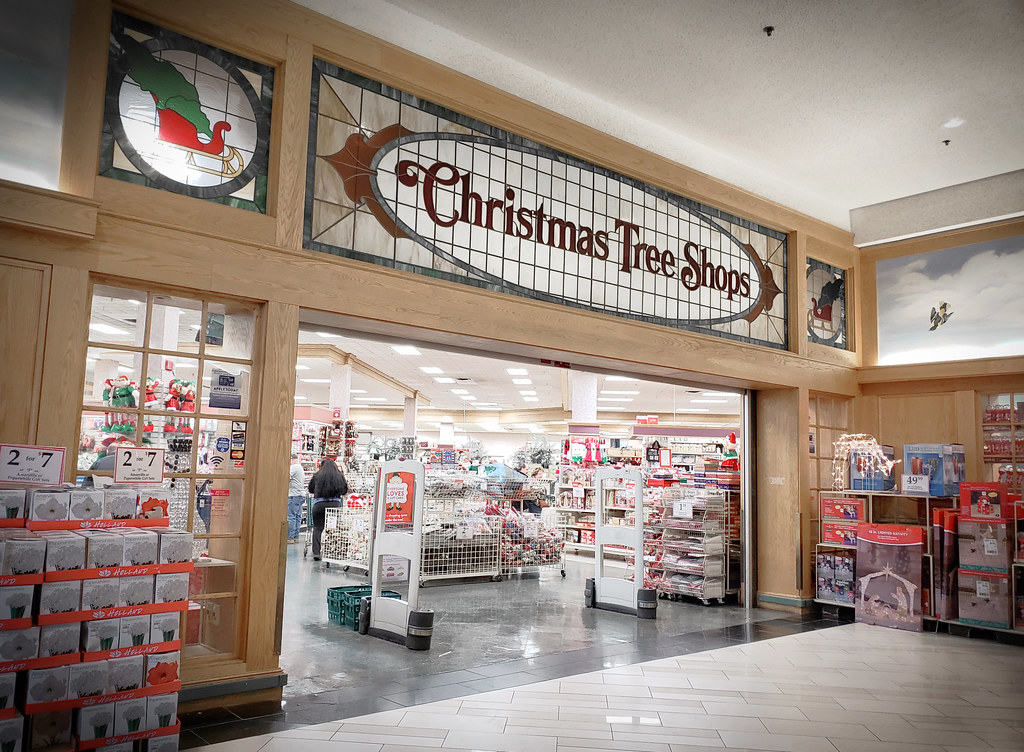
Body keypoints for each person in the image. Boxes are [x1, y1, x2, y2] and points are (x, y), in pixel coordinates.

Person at [307, 457, 348, 561]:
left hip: (319, 505)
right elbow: (344, 491)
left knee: (317, 528)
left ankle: (316, 553)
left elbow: (311, 489)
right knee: (332, 528)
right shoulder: (339, 476)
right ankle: (331, 552)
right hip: (334, 505)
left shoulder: (317, 475)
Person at [287, 453, 305, 543]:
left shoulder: (293, 467)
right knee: (297, 516)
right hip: (300, 495)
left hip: (294, 494)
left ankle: (290, 538)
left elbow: (286, 477)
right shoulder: (300, 467)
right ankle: (295, 537)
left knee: (290, 516)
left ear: (292, 459)